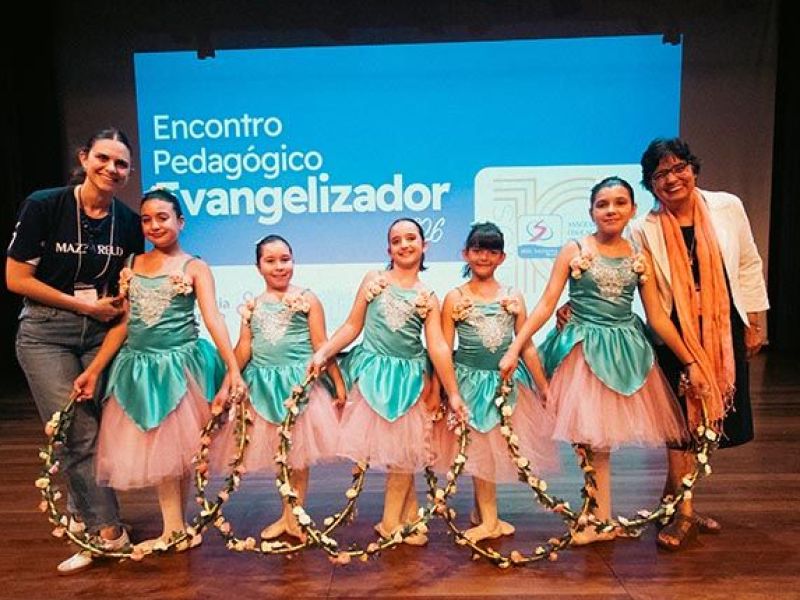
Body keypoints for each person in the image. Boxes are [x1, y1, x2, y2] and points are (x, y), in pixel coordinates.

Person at [499, 176, 708, 545]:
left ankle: (600, 519)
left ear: (632, 209)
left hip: (623, 351)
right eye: (603, 204)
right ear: (591, 211)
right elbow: (547, 303)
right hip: (583, 350)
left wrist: (690, 361)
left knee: (601, 442)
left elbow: (657, 317)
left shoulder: (638, 256)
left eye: (619, 202)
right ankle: (599, 517)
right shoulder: (575, 249)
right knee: (589, 440)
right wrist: (516, 347)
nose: (611, 210)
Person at [71, 187, 246, 553]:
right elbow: (124, 324)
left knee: (174, 449)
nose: (154, 225)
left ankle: (173, 529)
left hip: (179, 366)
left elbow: (213, 317)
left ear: (180, 221)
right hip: (139, 368)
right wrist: (95, 370)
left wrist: (233, 369)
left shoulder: (194, 267)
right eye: (147, 219)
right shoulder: (132, 263)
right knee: (163, 447)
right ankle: (175, 527)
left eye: (163, 218)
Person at [6, 128, 144, 573]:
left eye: (121, 164)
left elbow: (125, 289)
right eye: (103, 158)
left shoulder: (127, 222)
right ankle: (110, 533)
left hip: (100, 334)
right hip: (46, 332)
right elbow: (16, 280)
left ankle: (82, 518)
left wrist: (109, 313)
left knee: (93, 432)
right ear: (85, 158)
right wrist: (84, 305)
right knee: (77, 431)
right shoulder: (44, 205)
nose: (111, 169)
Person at [630, 137, 769, 550]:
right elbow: (642, 291)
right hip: (674, 333)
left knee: (707, 422)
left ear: (693, 169)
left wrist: (755, 320)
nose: (672, 179)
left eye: (679, 168)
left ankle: (671, 502)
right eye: (661, 174)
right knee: (679, 427)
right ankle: (684, 515)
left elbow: (748, 263)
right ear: (651, 184)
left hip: (723, 328)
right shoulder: (644, 229)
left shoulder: (727, 206)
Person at [307, 217, 467, 546]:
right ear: (388, 249)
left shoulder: (428, 296)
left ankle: (401, 517)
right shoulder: (374, 280)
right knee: (399, 452)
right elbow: (352, 326)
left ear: (424, 245)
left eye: (411, 238)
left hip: (408, 380)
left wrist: (452, 392)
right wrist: (323, 352)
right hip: (375, 375)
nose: (404, 245)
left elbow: (437, 345)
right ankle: (394, 521)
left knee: (404, 452)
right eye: (396, 241)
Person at [210, 234, 346, 542]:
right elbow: (243, 349)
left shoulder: (307, 299)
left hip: (298, 385)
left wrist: (338, 383)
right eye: (270, 261)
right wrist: (227, 384)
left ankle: (295, 516)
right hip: (263, 386)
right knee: (278, 454)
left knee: (297, 453)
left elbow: (321, 344)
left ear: (293, 261)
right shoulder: (252, 306)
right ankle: (287, 515)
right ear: (258, 267)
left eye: (285, 259)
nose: (279, 266)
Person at [435, 222, 558, 543]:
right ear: (465, 254)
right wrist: (444, 390)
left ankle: (487, 518)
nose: (484, 257)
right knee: (478, 449)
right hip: (468, 383)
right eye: (477, 250)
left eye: (492, 251)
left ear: (502, 257)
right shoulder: (455, 297)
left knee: (490, 450)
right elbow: (444, 348)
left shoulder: (512, 296)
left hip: (503, 385)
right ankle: (487, 519)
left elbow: (526, 346)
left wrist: (543, 386)